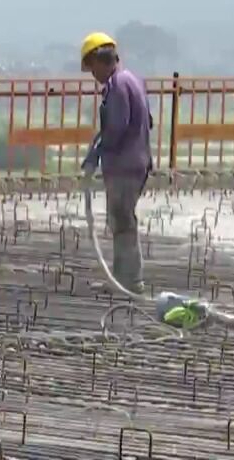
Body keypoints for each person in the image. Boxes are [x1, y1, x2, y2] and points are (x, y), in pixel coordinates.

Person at [80, 31, 153, 295]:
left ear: (100, 61)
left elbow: (116, 128)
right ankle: (123, 278)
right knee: (122, 220)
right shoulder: (130, 80)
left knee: (122, 222)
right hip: (136, 161)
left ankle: (129, 282)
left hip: (126, 164)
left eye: (91, 69)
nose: (93, 75)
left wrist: (97, 152)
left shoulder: (119, 86)